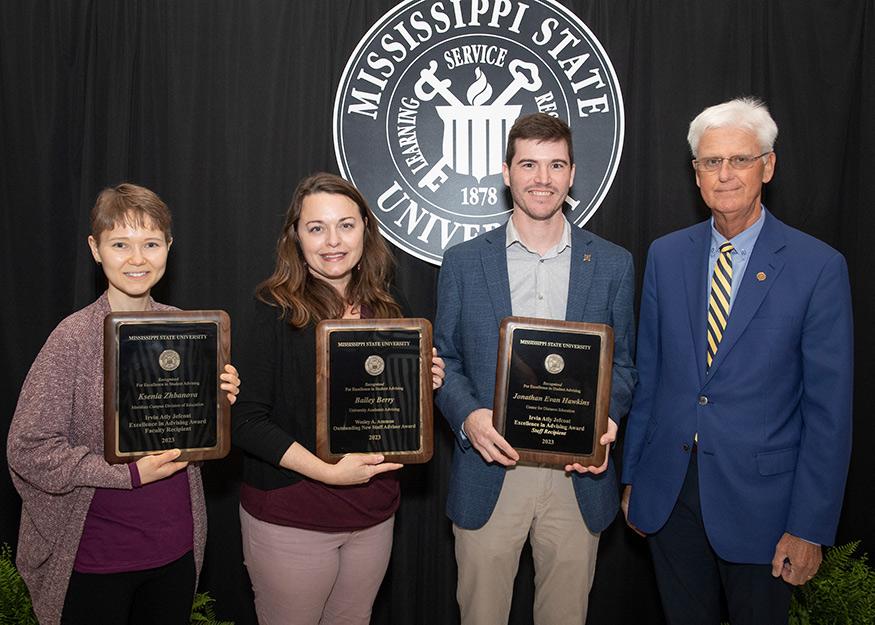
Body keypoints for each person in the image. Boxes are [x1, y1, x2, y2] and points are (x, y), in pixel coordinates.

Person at [621, 97, 854, 625]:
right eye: (710, 161)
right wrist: (634, 478)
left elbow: (828, 412)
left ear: (767, 166)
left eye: (739, 159)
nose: (724, 174)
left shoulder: (818, 267)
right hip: (670, 498)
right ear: (696, 173)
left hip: (767, 512)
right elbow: (651, 376)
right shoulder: (665, 255)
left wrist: (810, 525)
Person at [434, 113, 637, 625]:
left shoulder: (613, 264)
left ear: (572, 175)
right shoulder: (462, 262)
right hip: (489, 469)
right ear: (506, 172)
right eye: (529, 164)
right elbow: (444, 359)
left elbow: (627, 364)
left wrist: (607, 421)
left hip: (577, 476)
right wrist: (470, 419)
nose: (542, 178)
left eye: (555, 165)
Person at [7, 183, 241, 625]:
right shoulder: (71, 339)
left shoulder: (188, 330)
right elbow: (29, 449)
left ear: (169, 247)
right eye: (120, 244)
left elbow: (189, 437)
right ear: (96, 250)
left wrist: (216, 408)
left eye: (151, 243)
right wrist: (127, 474)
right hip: (96, 557)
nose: (137, 259)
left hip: (175, 549)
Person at [232, 172, 444, 625]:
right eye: (316, 228)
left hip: (373, 512)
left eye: (346, 225)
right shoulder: (273, 308)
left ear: (366, 229)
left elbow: (392, 410)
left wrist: (421, 386)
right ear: (296, 236)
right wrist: (328, 472)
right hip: (292, 514)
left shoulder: (391, 306)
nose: (333, 241)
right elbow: (246, 421)